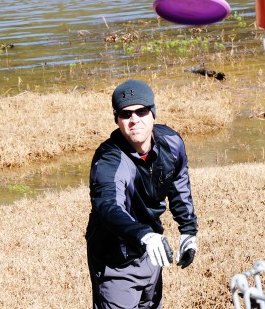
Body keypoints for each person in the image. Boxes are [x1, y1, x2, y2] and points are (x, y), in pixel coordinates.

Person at [85, 79, 198, 309]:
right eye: (126, 114)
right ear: (117, 120)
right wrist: (144, 235)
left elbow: (179, 183)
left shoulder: (171, 143)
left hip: (152, 252)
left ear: (153, 113)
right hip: (116, 259)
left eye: (141, 111)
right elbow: (108, 207)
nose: (134, 119)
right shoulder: (109, 160)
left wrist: (188, 231)